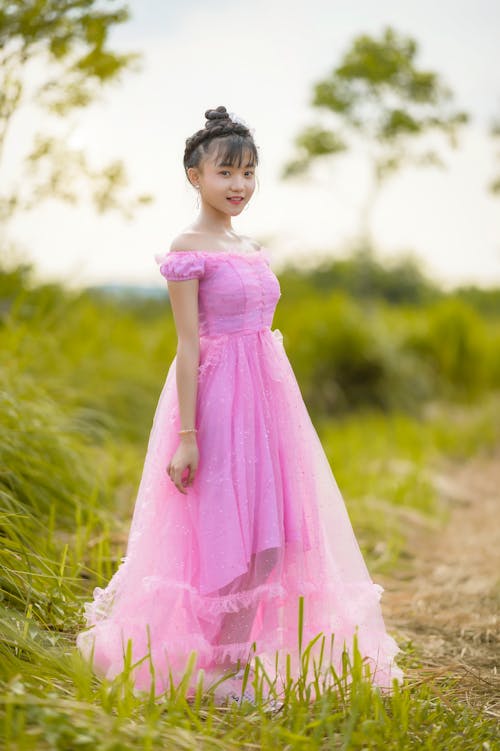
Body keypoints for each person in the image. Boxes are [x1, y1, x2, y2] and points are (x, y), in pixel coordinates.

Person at [76, 105, 404, 707]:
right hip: (219, 398)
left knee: (273, 538)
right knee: (227, 531)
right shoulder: (187, 247)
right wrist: (189, 433)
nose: (240, 185)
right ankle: (213, 666)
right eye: (226, 172)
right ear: (195, 176)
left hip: (268, 398)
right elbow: (188, 342)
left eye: (249, 172)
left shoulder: (251, 245)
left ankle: (234, 662)